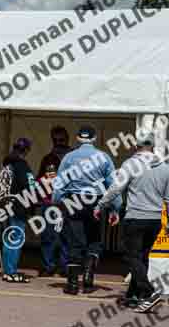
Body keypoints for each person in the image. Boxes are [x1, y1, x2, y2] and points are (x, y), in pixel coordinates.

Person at [95, 129, 168, 312]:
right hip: (155, 219)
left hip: (135, 217)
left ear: (136, 146)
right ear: (152, 146)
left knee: (131, 257)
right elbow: (168, 198)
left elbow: (116, 188)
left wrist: (100, 205)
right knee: (141, 258)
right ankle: (132, 295)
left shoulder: (131, 164)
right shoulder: (165, 167)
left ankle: (149, 292)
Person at [52, 125, 121, 294]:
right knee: (94, 239)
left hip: (74, 201)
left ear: (77, 138)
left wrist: (57, 202)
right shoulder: (103, 157)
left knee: (75, 241)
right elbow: (113, 185)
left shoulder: (69, 157)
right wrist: (115, 208)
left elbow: (60, 183)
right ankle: (89, 277)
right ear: (94, 138)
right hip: (95, 201)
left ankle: (73, 283)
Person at [0, 137, 36, 283]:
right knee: (15, 239)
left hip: (4, 207)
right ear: (26, 150)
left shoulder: (6, 165)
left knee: (7, 239)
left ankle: (7, 271)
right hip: (18, 206)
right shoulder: (22, 165)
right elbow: (31, 186)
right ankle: (12, 271)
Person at [36, 126, 72, 276]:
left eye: (61, 140)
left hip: (68, 203)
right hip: (49, 203)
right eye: (56, 140)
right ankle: (48, 266)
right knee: (47, 236)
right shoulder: (48, 158)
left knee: (67, 236)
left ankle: (65, 267)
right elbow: (39, 179)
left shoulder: (73, 158)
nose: (58, 143)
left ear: (67, 139)